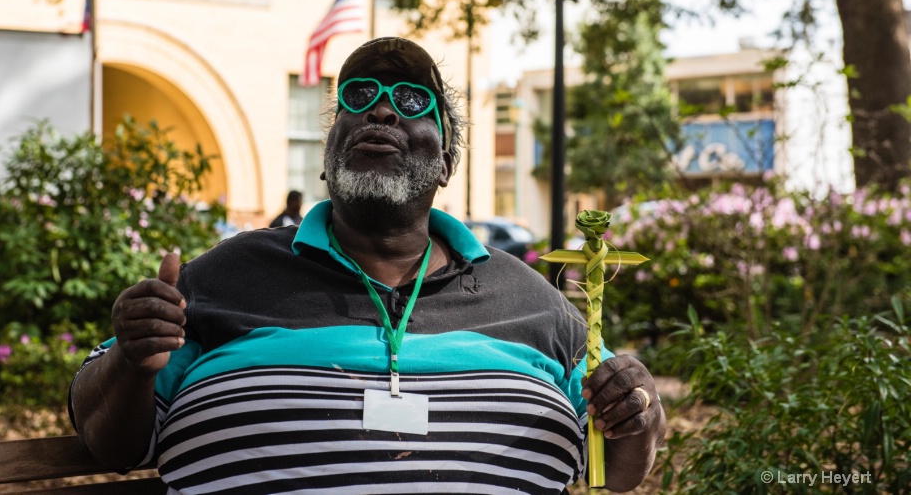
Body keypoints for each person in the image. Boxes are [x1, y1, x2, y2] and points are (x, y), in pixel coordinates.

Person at [68, 36, 666, 494]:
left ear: (446, 164)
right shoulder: (226, 274)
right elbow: (109, 440)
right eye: (359, 97)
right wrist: (130, 359)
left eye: (410, 101)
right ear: (328, 159)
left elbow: (617, 467)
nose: (381, 112)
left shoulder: (532, 299)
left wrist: (636, 409)